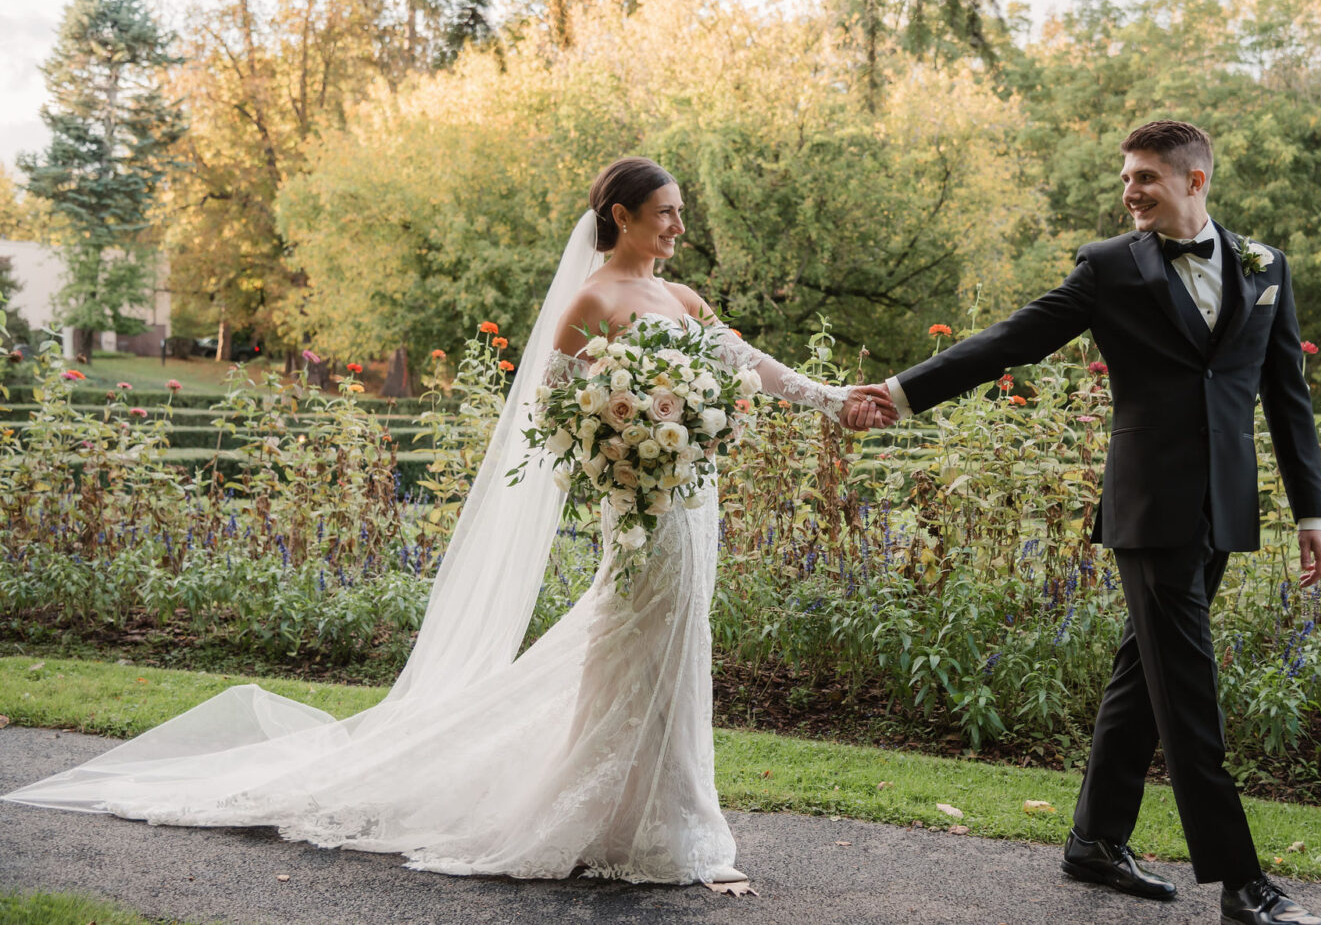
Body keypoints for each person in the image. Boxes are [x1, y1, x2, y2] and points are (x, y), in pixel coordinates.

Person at [4, 156, 886, 887]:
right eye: (666, 213)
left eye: (680, 213)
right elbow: (555, 415)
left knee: (679, 644)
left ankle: (659, 821)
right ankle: (629, 821)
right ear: (621, 216)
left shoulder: (685, 300)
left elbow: (753, 365)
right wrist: (623, 447)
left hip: (694, 503)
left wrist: (834, 398)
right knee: (633, 644)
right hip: (640, 506)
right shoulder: (590, 305)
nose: (679, 227)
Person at [857, 120, 1321, 925]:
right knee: (1189, 692)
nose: (1130, 191)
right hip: (1149, 508)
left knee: (1144, 675)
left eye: (1146, 176)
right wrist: (901, 394)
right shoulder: (1110, 267)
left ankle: (1094, 841)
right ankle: (1242, 884)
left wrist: (1311, 510)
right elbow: (1011, 341)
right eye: (1126, 178)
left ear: (1195, 180)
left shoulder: (1264, 265)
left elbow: (1288, 395)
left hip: (1225, 506)